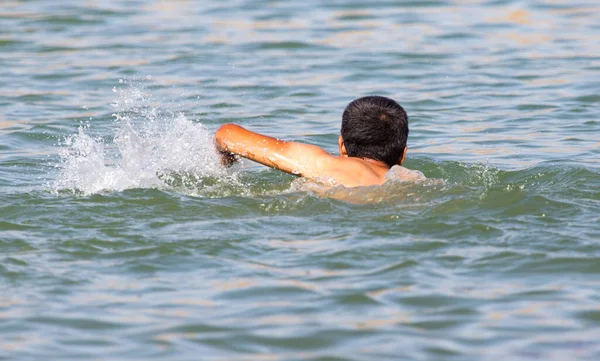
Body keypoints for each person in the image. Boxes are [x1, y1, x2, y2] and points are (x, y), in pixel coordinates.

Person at [214, 95, 424, 188]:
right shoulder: (412, 181)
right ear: (402, 155)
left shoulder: (323, 164)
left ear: (342, 146)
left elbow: (227, 134)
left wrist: (226, 163)